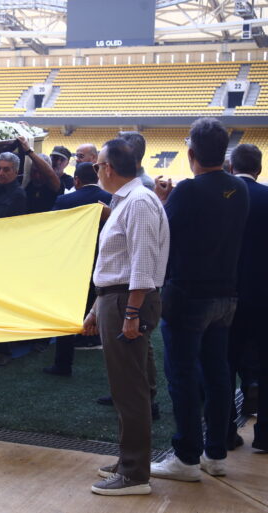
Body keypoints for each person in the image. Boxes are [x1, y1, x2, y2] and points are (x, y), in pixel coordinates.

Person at [150, 118, 249, 481]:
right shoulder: (239, 188)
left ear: (191, 153)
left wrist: (163, 200)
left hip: (188, 295)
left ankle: (186, 457)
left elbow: (162, 234)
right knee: (218, 375)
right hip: (226, 295)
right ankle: (215, 454)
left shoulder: (189, 190)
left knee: (183, 376)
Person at [84, 138, 169, 496]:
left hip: (126, 302)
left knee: (130, 389)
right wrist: (96, 308)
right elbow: (118, 262)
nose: (96, 171)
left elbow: (142, 263)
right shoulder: (130, 201)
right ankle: (129, 462)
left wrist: (131, 313)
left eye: (97, 165)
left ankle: (134, 473)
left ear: (108, 168)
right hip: (117, 300)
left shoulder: (138, 202)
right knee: (127, 387)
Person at [43, 162, 113, 377]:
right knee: (106, 317)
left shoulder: (65, 201)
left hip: (72, 265)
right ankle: (114, 368)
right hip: (102, 265)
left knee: (67, 315)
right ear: (97, 178)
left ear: (76, 180)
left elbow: (52, 230)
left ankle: (63, 364)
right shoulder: (111, 200)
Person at [227, 143, 268, 452]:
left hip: (227, 293)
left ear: (231, 167)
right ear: (259, 169)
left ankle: (225, 433)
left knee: (224, 365)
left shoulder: (222, 197)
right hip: (264, 294)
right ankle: (265, 436)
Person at [22, 138, 61, 214]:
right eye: (34, 171)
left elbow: (49, 174)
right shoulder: (28, 185)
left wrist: (29, 151)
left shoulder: (54, 186)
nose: (37, 176)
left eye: (41, 173)